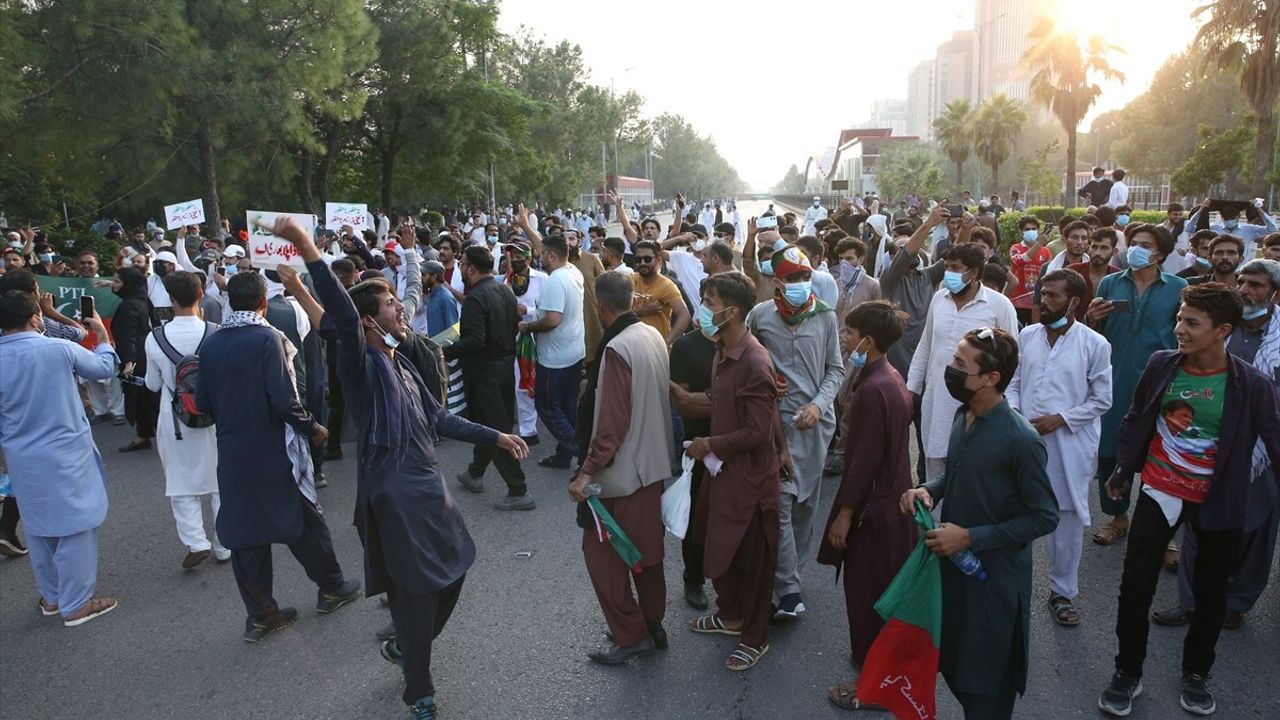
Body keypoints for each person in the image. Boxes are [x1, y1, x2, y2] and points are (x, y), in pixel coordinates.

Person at [256, 217, 525, 720]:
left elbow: (439, 416)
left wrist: (498, 436)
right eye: (389, 305)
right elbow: (337, 312)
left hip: (430, 490)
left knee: (456, 569)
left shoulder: (401, 362)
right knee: (418, 590)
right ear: (367, 323)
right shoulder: (358, 365)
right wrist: (306, 249)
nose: (401, 307)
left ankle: (406, 646)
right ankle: (419, 692)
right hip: (393, 498)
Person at [1097, 284, 1280, 717]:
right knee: (1134, 588)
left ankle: (1197, 674)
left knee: (1210, 595)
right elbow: (1136, 415)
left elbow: (1274, 440)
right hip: (1159, 494)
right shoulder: (1161, 364)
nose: (1179, 328)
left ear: (1222, 331)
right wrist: (1123, 472)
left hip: (1218, 502)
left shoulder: (1251, 384)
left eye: (1191, 323)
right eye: (1179, 319)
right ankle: (1127, 672)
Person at [195, 270, 362, 642]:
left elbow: (202, 403)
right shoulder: (268, 339)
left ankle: (262, 614)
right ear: (263, 303)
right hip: (274, 449)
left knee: (245, 532)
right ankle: (332, 587)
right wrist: (315, 428)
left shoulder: (211, 344)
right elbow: (285, 401)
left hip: (234, 452)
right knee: (303, 519)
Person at [901, 327, 1059, 720]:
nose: (950, 370)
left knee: (986, 691)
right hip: (956, 576)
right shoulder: (963, 414)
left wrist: (970, 537)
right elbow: (958, 475)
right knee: (955, 669)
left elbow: (1044, 516)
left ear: (991, 378)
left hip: (994, 586)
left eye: (960, 365)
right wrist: (930, 490)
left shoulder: (1021, 439)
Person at [1152, 261, 1280, 631]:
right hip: (1208, 441)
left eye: (1255, 284)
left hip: (1263, 448)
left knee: (1254, 528)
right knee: (1200, 523)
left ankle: (1236, 601)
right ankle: (1190, 601)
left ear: (1274, 292)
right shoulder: (1221, 327)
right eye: (1241, 281)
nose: (1244, 289)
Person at [676, 271, 788, 671]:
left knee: (754, 563)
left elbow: (759, 431)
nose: (701, 308)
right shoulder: (723, 352)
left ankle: (755, 637)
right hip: (722, 472)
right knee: (717, 547)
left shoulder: (754, 360)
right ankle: (731, 614)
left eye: (709, 301)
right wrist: (687, 399)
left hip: (752, 481)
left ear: (732, 311)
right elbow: (724, 402)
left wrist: (710, 443)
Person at [816, 300, 917, 709]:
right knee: (880, 593)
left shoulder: (875, 388)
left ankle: (873, 685)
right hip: (891, 505)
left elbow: (863, 462)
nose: (844, 339)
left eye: (848, 333)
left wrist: (843, 515)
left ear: (868, 341)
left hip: (874, 511)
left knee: (868, 596)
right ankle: (873, 664)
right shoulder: (889, 376)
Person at [568, 271, 673, 665]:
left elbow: (610, 425)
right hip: (653, 466)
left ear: (600, 306)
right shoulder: (651, 334)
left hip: (621, 475)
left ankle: (631, 635)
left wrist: (586, 473)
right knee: (647, 554)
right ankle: (652, 624)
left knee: (603, 556)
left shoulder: (617, 348)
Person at [0, 289, 121, 626]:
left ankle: (52, 597)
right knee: (76, 525)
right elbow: (103, 369)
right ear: (35, 317)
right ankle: (77, 604)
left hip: (21, 455)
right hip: (65, 451)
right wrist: (101, 334)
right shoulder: (57, 348)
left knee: (38, 526)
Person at [1006, 269, 1113, 626]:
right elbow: (1014, 383)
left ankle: (1062, 592)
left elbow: (1102, 400)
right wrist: (1018, 416)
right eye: (1041, 293)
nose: (1042, 301)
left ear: (1074, 302)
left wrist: (1061, 419)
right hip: (1025, 441)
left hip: (1070, 443)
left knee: (1065, 519)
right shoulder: (1027, 335)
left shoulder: (1094, 344)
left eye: (1052, 296)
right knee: (1014, 508)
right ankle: (1006, 585)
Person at [745, 245, 843, 619]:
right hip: (775, 427)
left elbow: (836, 369)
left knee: (805, 508)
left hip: (815, 428)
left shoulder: (826, 317)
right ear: (777, 282)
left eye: (805, 278)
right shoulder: (760, 317)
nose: (800, 285)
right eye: (792, 280)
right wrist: (766, 377)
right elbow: (746, 356)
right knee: (782, 504)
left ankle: (790, 573)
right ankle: (788, 590)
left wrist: (819, 405)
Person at [1087, 224, 1188, 546]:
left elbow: (1183, 335)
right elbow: (1096, 336)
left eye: (1144, 244)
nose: (1136, 249)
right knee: (1110, 452)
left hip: (1161, 383)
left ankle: (1161, 531)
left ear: (1160, 252)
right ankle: (1118, 517)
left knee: (1160, 454)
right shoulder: (1110, 282)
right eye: (1132, 243)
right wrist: (1093, 317)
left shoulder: (1178, 287)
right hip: (1114, 379)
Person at [907, 243, 1019, 481]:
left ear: (975, 273)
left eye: (955, 268)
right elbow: (925, 346)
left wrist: (1009, 409)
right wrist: (910, 391)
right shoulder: (939, 299)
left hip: (976, 408)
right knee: (935, 473)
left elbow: (1013, 362)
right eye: (946, 266)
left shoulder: (999, 305)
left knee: (971, 477)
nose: (949, 273)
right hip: (935, 403)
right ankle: (935, 520)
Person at [143, 271, 228, 569]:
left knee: (180, 482)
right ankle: (224, 545)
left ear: (170, 298)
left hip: (175, 418)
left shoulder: (154, 338)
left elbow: (153, 385)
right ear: (200, 295)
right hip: (215, 416)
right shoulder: (219, 332)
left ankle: (196, 541)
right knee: (220, 481)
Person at [445, 246, 533, 510]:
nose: (461, 269)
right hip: (504, 368)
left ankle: (519, 490)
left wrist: (441, 350)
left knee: (495, 431)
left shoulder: (475, 298)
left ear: (471, 268)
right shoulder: (504, 291)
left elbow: (474, 340)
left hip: (484, 373)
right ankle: (475, 473)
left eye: (462, 264)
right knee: (489, 424)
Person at [518, 234, 585, 469]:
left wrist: (528, 326)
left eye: (542, 253)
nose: (538, 256)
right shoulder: (572, 271)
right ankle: (563, 455)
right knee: (566, 407)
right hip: (573, 354)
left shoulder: (556, 280)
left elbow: (552, 319)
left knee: (546, 406)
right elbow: (547, 246)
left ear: (552, 255)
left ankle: (582, 454)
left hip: (555, 359)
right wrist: (527, 227)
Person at [113, 266, 161, 454]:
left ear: (129, 285)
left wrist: (128, 362)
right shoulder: (141, 300)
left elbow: (128, 336)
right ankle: (143, 436)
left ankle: (168, 438)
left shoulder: (129, 306)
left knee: (147, 401)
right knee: (143, 400)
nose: (114, 286)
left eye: (117, 282)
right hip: (145, 355)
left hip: (137, 360)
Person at [630, 240, 690, 346]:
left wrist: (666, 342)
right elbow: (618, 313)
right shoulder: (629, 280)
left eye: (647, 259)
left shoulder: (667, 286)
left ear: (658, 260)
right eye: (638, 259)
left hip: (656, 346)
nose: (642, 263)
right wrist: (642, 311)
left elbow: (685, 315)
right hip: (633, 344)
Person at [1066, 228, 1121, 321]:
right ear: (1088, 249)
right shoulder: (1072, 272)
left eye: (1104, 248)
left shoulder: (1119, 278)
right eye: (1094, 247)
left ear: (1114, 252)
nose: (1098, 253)